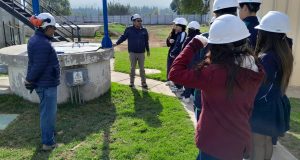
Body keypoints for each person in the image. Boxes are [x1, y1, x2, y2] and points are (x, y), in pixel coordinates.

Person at [169, 15, 265, 160]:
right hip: (237, 141)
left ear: (218, 46)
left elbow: (175, 73)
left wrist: (194, 44)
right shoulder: (255, 69)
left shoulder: (214, 74)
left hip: (213, 144)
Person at [250, 11, 293, 160]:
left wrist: (250, 102)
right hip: (275, 103)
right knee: (267, 141)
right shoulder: (284, 51)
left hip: (264, 107)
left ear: (267, 33)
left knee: (258, 143)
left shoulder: (268, 57)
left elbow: (262, 88)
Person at [25, 13, 60, 151]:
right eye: (53, 28)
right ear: (46, 27)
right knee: (47, 114)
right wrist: (30, 79)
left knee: (48, 112)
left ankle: (50, 134)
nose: (54, 30)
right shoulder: (42, 43)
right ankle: (48, 143)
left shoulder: (37, 39)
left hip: (45, 83)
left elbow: (33, 63)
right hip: (46, 85)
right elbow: (38, 66)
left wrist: (30, 79)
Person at [114, 14, 150, 88]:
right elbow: (123, 37)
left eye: (141, 20)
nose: (140, 22)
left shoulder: (144, 30)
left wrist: (148, 50)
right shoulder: (129, 29)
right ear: (133, 22)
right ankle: (131, 82)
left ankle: (143, 83)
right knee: (132, 68)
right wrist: (117, 43)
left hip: (141, 53)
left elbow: (146, 41)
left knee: (142, 69)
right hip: (132, 52)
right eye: (138, 21)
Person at [180, 21, 201, 103]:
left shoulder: (189, 39)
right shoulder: (202, 37)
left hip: (190, 62)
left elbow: (183, 51)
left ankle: (187, 97)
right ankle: (192, 94)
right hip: (199, 62)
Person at [169, 17, 187, 92]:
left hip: (179, 55)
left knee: (178, 71)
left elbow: (179, 45)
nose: (176, 27)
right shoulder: (180, 34)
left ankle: (178, 87)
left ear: (181, 26)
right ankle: (177, 86)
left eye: (177, 26)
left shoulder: (182, 34)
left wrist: (173, 53)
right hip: (178, 55)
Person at [166, 18, 179, 86]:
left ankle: (174, 82)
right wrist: (169, 41)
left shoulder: (180, 33)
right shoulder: (172, 32)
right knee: (169, 65)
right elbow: (167, 43)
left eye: (174, 24)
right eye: (173, 24)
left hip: (176, 53)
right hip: (171, 51)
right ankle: (168, 80)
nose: (173, 25)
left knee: (175, 67)